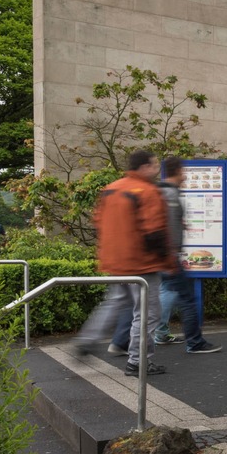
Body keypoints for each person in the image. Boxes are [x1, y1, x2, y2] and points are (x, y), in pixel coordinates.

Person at [72, 150, 172, 376]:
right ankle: (137, 361)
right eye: (155, 164)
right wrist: (169, 262)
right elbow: (154, 232)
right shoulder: (147, 191)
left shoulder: (110, 189)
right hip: (142, 264)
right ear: (144, 167)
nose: (157, 168)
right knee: (146, 313)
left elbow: (98, 222)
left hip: (115, 261)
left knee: (115, 302)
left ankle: (87, 339)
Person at [110, 157, 222, 355]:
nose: (185, 177)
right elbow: (164, 227)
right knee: (186, 298)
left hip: (150, 257)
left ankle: (121, 341)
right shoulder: (169, 194)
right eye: (183, 172)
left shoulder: (156, 190)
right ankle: (194, 342)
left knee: (143, 300)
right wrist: (169, 256)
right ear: (178, 171)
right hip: (165, 256)